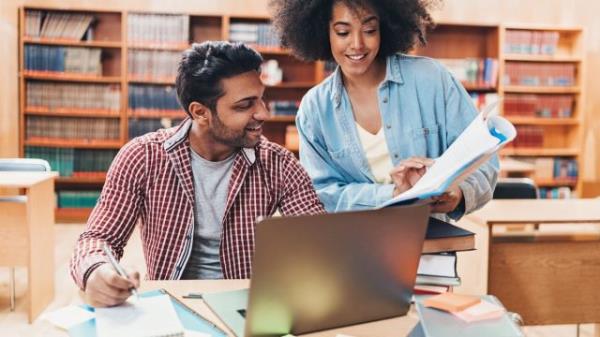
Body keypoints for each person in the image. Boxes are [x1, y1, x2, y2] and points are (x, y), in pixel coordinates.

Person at [70, 41, 325, 307]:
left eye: (261, 98)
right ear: (200, 112)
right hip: (170, 305)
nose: (263, 112)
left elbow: (319, 241)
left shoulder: (279, 163)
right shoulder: (142, 156)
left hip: (247, 308)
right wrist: (96, 271)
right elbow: (97, 239)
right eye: (245, 105)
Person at [270, 0, 498, 217]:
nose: (357, 44)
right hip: (353, 246)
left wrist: (457, 194)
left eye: (369, 30)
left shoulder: (433, 81)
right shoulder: (315, 110)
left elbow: (484, 162)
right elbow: (321, 194)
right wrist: (393, 195)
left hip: (431, 245)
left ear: (385, 28)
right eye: (343, 32)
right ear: (323, 32)